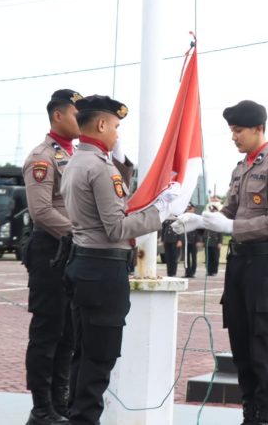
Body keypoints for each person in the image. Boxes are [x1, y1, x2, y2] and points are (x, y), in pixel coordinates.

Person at [173, 99, 268, 425]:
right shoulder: (242, 168)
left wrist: (231, 227)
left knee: (262, 349)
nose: (234, 136)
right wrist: (201, 220)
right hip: (239, 266)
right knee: (241, 347)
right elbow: (230, 211)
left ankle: (263, 419)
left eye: (239, 130)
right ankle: (249, 414)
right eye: (231, 131)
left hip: (264, 266)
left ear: (259, 129)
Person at [61, 95, 174, 425]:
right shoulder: (98, 166)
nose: (116, 132)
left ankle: (77, 417)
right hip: (102, 270)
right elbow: (117, 227)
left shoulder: (75, 161)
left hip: (84, 264)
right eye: (115, 126)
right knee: (99, 359)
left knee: (82, 357)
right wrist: (162, 212)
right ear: (101, 124)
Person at [20, 89, 82, 425]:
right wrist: (80, 234)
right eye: (76, 113)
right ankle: (41, 407)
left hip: (75, 251)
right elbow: (42, 211)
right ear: (58, 115)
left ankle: (60, 402)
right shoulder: (43, 156)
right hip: (52, 251)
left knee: (69, 333)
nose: (82, 120)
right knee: (48, 331)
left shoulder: (81, 154)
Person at [202, 205, 223, 276]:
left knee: (215, 257)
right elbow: (203, 231)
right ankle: (209, 271)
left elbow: (220, 232)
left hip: (215, 242)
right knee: (208, 258)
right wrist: (202, 240)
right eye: (211, 211)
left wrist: (220, 242)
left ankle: (214, 271)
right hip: (208, 241)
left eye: (214, 211)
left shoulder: (219, 221)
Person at [183, 204, 199, 278]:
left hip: (194, 241)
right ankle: (187, 272)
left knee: (193, 257)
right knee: (186, 258)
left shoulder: (196, 218)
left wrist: (199, 240)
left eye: (191, 208)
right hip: (186, 240)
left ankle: (192, 272)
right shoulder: (184, 217)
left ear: (193, 209)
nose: (189, 210)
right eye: (188, 208)